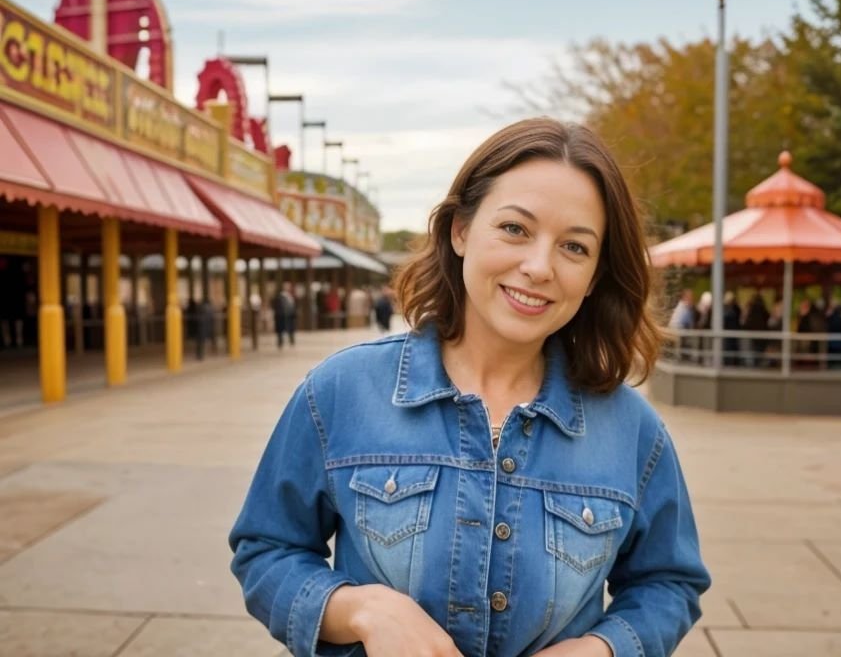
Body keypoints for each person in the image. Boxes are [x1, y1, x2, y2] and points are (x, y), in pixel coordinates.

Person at [229, 118, 710, 657]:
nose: (538, 266)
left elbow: (669, 582)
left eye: (574, 247)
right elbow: (266, 549)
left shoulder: (633, 430)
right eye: (514, 229)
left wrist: (604, 648)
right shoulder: (340, 392)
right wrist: (362, 610)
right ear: (461, 230)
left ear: (595, 274)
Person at [272, 283, 296, 349]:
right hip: (281, 316)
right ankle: (280, 342)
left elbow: (292, 306)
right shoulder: (280, 297)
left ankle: (291, 341)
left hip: (289, 316)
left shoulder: (290, 296)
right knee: (280, 330)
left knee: (290, 329)